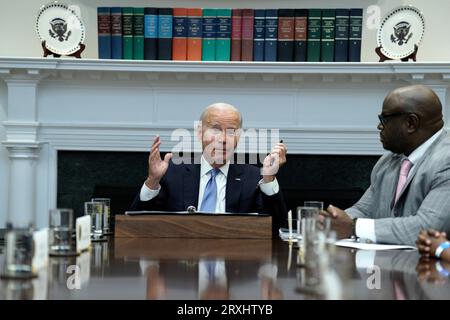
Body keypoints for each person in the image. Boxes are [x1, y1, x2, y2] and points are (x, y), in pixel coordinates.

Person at [130, 102, 288, 235]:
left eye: (231, 131)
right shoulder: (172, 173)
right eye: (216, 129)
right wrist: (153, 181)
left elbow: (276, 231)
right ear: (200, 133)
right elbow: (136, 227)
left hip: (235, 264)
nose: (223, 139)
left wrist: (268, 178)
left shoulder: (254, 177)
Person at [320, 85, 450, 245]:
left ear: (411, 123)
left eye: (385, 119)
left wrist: (354, 227)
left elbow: (427, 228)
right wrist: (329, 223)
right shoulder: (389, 161)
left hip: (433, 268)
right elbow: (363, 210)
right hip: (388, 265)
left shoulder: (446, 161)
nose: (379, 126)